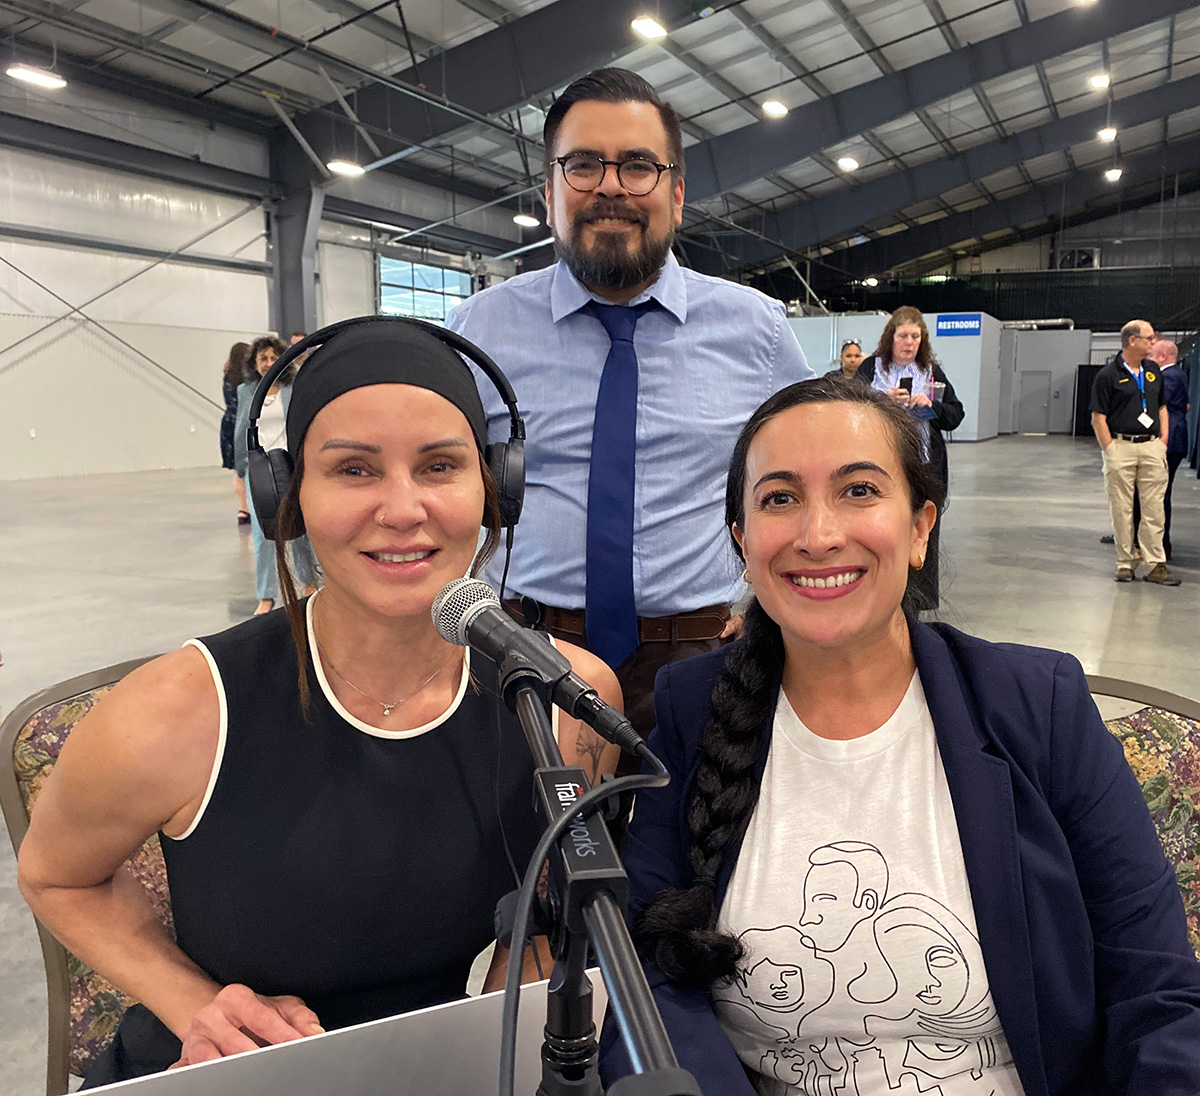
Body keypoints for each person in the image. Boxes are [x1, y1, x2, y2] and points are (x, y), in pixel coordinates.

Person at [17, 318, 621, 1085]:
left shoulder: (562, 699)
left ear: (494, 486)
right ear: (287, 494)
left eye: (439, 465)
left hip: (439, 1067)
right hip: (230, 1070)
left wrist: (514, 1000)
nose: (403, 510)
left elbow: (545, 912)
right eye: (355, 470)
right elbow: (55, 874)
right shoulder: (177, 711)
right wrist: (191, 1001)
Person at [599, 377, 1200, 1096]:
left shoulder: (1038, 708)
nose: (818, 535)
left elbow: (1157, 991)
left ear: (920, 528)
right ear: (743, 542)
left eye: (858, 491)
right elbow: (648, 976)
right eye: (780, 498)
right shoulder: (693, 710)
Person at [445, 67, 813, 735]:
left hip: (704, 658)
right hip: (527, 651)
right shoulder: (476, 332)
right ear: (549, 192)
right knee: (532, 839)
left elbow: (810, 478)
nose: (610, 185)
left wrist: (770, 598)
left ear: (676, 195)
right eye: (584, 164)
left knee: (698, 841)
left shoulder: (757, 331)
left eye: (638, 165)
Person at [855, 307, 963, 609]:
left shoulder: (931, 371)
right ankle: (882, 594)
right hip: (881, 464)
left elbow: (955, 414)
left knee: (924, 527)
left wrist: (930, 406)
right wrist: (881, 401)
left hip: (925, 463)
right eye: (903, 335)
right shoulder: (871, 368)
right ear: (892, 337)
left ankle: (921, 600)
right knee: (883, 528)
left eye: (916, 336)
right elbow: (848, 408)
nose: (909, 342)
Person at [1090, 319, 1179, 585]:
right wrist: (1111, 449)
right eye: (1149, 338)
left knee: (1154, 509)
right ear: (1132, 340)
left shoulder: (1153, 371)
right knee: (1122, 508)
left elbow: (1162, 407)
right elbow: (1098, 417)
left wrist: (1162, 440)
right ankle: (1125, 562)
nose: (1153, 342)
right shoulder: (1108, 375)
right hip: (1121, 447)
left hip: (1152, 448)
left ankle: (1154, 564)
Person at [234, 335, 318, 614]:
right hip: (259, 470)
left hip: (289, 465)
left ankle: (309, 583)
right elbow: (239, 429)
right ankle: (266, 595)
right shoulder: (246, 391)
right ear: (255, 362)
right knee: (263, 536)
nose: (268, 363)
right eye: (263, 359)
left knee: (301, 531)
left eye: (272, 358)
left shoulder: (291, 389)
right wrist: (240, 466)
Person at [1147, 338, 1189, 560]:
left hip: (1168, 441)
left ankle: (1162, 544)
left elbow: (1157, 402)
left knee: (1160, 493)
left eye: (1152, 356)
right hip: (1173, 439)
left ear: (1162, 356)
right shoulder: (1178, 375)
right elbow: (1186, 405)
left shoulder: (1169, 376)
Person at [220, 341, 252, 525]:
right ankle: (254, 508)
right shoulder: (249, 380)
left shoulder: (227, 376)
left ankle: (243, 509)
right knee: (251, 469)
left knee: (237, 471)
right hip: (245, 423)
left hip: (229, 423)